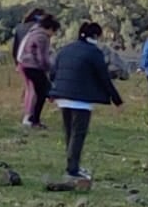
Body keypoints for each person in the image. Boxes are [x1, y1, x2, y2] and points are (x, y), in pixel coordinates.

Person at [49, 21, 124, 181]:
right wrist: (117, 100)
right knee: (78, 134)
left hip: (62, 97)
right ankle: (73, 169)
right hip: (81, 100)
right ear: (96, 36)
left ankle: (72, 164)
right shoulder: (94, 53)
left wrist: (52, 92)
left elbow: (53, 72)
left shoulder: (65, 50)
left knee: (69, 133)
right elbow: (104, 77)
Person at [16, 13, 59, 129]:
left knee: (37, 91)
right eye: (54, 32)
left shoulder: (33, 32)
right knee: (42, 92)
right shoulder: (42, 37)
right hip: (33, 66)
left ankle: (32, 118)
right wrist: (48, 67)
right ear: (50, 28)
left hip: (25, 64)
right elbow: (42, 56)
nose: (53, 35)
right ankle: (34, 120)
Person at [12, 8, 47, 125]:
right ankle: (29, 117)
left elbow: (15, 46)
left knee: (29, 89)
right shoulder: (37, 29)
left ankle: (28, 114)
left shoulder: (20, 27)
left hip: (20, 61)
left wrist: (16, 63)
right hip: (32, 62)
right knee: (34, 91)